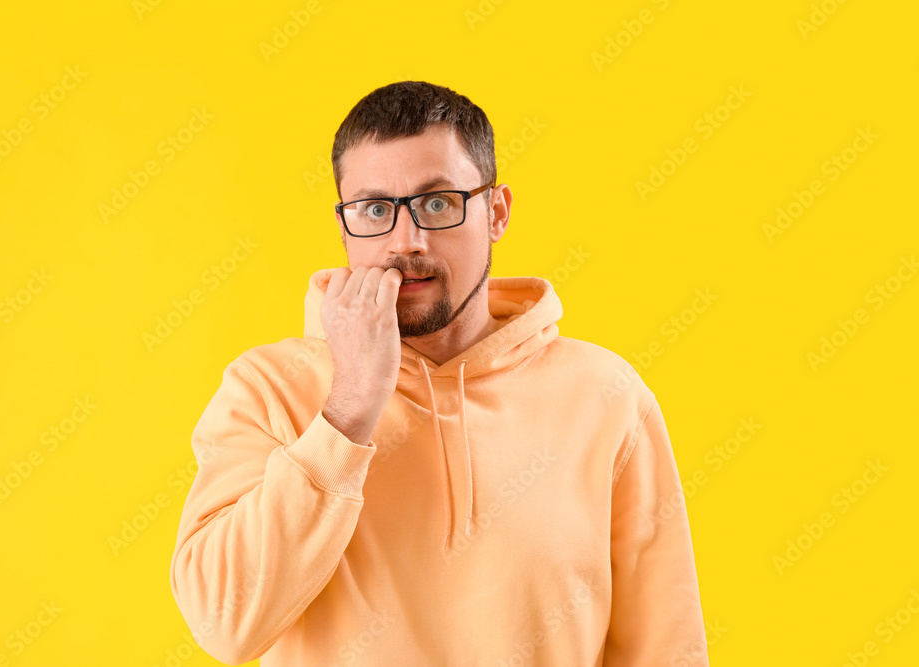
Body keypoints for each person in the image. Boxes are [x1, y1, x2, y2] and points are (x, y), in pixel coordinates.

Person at [169, 80, 710, 666]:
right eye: (375, 209)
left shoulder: (608, 397)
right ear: (345, 223)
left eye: (437, 203)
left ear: (496, 212)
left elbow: (665, 650)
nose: (408, 241)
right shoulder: (267, 388)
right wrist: (349, 407)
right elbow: (223, 622)